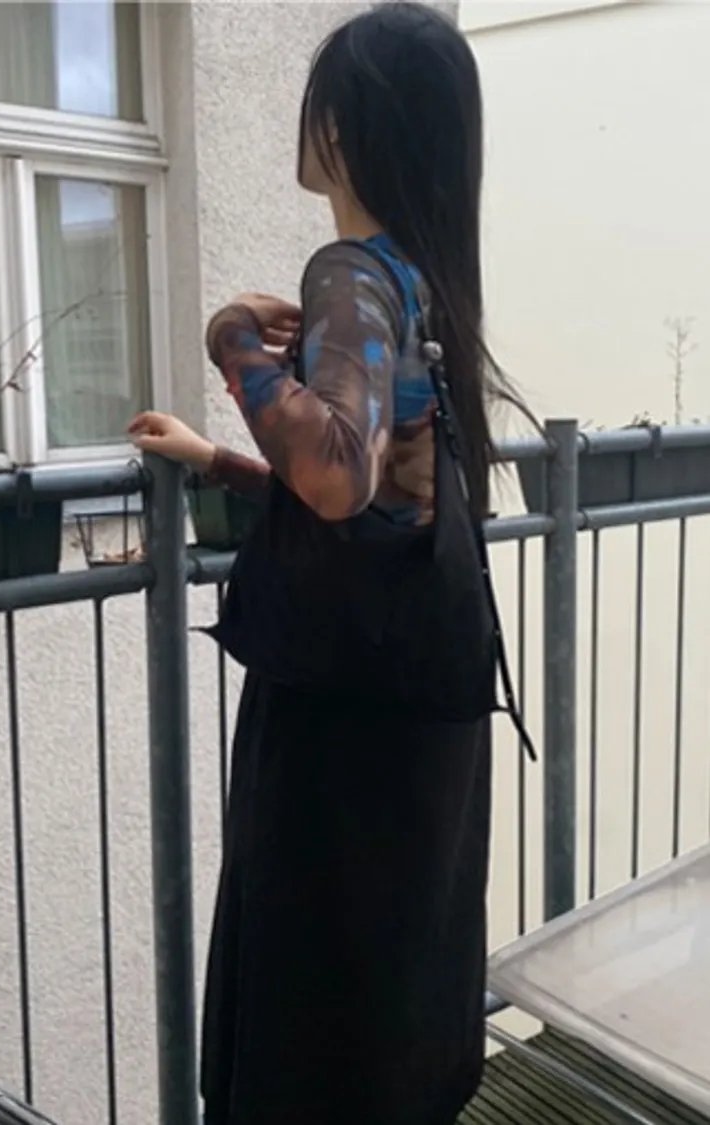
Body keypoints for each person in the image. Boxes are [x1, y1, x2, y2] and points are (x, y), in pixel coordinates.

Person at [128, 5, 530, 1124]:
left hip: (342, 733)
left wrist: (230, 338)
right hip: (418, 716)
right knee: (390, 1011)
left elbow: (339, 477)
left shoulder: (352, 270)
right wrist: (217, 458)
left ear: (345, 127)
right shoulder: (426, 276)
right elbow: (395, 504)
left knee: (307, 1022)